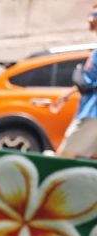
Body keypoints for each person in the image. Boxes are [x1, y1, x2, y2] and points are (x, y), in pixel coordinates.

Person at [52, 4, 97, 159]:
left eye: (95, 15)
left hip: (92, 113)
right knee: (90, 159)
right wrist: (68, 93)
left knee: (64, 156)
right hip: (89, 109)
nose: (90, 19)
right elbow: (89, 79)